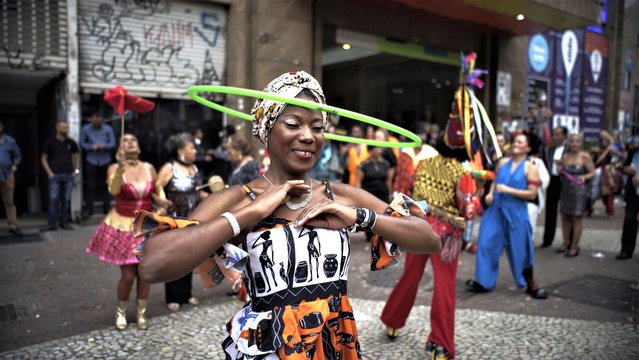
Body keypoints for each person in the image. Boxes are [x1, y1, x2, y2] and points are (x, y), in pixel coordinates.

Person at [136, 70, 441, 359]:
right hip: (270, 347)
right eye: (293, 124)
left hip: (335, 345)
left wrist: (359, 217)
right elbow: (153, 265)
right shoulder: (239, 198)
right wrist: (249, 214)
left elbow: (429, 240)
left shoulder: (341, 195)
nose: (308, 136)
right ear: (266, 129)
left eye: (318, 127)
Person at [381, 133, 470, 360]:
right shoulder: (463, 174)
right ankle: (439, 344)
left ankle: (393, 320)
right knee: (444, 286)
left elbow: (410, 193)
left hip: (420, 228)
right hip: (446, 236)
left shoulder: (424, 165)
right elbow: (467, 209)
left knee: (410, 275)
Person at [85, 133, 169, 330]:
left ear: (138, 147)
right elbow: (113, 191)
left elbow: (157, 190)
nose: (130, 142)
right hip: (123, 226)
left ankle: (141, 314)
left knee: (145, 273)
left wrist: (162, 202)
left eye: (133, 140)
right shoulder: (114, 168)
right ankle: (121, 312)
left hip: (147, 226)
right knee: (129, 275)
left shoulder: (149, 167)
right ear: (120, 149)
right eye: (125, 140)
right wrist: (120, 168)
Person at [466, 133, 548, 299]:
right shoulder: (502, 162)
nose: (515, 144)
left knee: (521, 249)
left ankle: (528, 283)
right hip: (495, 209)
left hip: (517, 211)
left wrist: (509, 190)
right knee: (485, 242)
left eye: (520, 142)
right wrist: (490, 194)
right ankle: (484, 282)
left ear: (528, 148)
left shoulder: (530, 168)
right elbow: (496, 182)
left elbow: (532, 195)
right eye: (515, 141)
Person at [156, 133, 209, 311]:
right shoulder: (169, 168)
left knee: (188, 257)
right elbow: (155, 189)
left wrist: (215, 198)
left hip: (192, 219)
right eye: (191, 148)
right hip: (173, 220)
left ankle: (186, 294)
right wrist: (161, 201)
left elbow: (197, 192)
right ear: (181, 151)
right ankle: (172, 296)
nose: (195, 150)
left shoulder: (193, 168)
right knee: (173, 258)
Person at [557, 134, 595, 257]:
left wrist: (584, 176)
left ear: (580, 143)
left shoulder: (585, 156)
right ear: (568, 143)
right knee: (565, 217)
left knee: (576, 218)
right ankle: (565, 243)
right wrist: (559, 170)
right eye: (572, 141)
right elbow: (562, 174)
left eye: (577, 141)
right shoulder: (565, 156)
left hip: (579, 191)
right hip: (566, 190)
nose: (574, 144)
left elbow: (593, 173)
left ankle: (574, 246)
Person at [41, 121, 80, 231]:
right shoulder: (50, 142)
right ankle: (51, 224)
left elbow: (77, 156)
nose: (66, 129)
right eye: (63, 127)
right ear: (57, 128)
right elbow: (43, 158)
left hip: (68, 175)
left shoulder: (71, 142)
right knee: (53, 200)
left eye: (67, 127)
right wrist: (49, 173)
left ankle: (64, 223)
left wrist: (76, 170)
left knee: (66, 200)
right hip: (55, 175)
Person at [80, 113, 116, 219]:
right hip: (91, 159)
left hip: (106, 159)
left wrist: (104, 146)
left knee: (106, 184)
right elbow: (82, 143)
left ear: (102, 119)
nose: (97, 120)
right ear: (91, 119)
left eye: (99, 118)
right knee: (90, 185)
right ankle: (89, 208)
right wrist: (92, 146)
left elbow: (113, 143)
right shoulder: (86, 129)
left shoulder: (108, 129)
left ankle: (107, 207)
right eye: (95, 118)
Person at [540, 126, 567, 248]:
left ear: (564, 136)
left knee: (567, 212)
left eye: (557, 134)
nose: (555, 137)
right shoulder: (549, 149)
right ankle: (547, 239)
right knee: (550, 211)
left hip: (566, 181)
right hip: (552, 180)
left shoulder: (569, 149)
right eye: (554, 134)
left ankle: (568, 241)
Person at [617, 136, 639, 260]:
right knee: (629, 221)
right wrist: (627, 169)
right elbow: (623, 167)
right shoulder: (633, 152)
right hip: (633, 193)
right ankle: (626, 249)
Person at [0, 121, 22, 235]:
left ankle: (13, 225)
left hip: (7, 174)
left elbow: (17, 156)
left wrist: (14, 168)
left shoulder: (10, 141)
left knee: (9, 201)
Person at [526, 133, 550, 239]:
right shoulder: (513, 161)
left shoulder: (538, 162)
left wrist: (532, 179)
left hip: (531, 198)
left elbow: (545, 180)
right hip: (515, 198)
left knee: (529, 225)